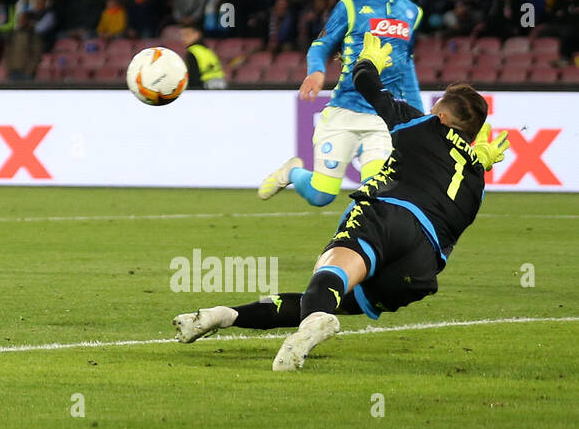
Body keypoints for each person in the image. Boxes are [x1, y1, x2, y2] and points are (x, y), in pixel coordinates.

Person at [174, 32, 511, 370]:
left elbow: (367, 84)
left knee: (332, 271)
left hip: (391, 217)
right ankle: (225, 316)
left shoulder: (424, 126)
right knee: (323, 300)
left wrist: (369, 62)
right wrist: (474, 160)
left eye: (435, 109)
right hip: (421, 268)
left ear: (440, 118)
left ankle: (314, 323)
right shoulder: (477, 180)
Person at [258, 0, 423, 206]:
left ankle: (355, 246)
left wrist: (419, 120)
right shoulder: (351, 5)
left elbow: (406, 66)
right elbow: (321, 45)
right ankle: (292, 172)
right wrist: (316, 72)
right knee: (321, 195)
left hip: (383, 116)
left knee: (375, 194)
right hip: (345, 109)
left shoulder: (412, 13)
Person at [180, 24, 226, 89]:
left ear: (197, 35)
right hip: (220, 83)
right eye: (182, 35)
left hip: (205, 85)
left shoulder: (192, 51)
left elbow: (193, 76)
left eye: (187, 34)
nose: (183, 38)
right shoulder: (207, 50)